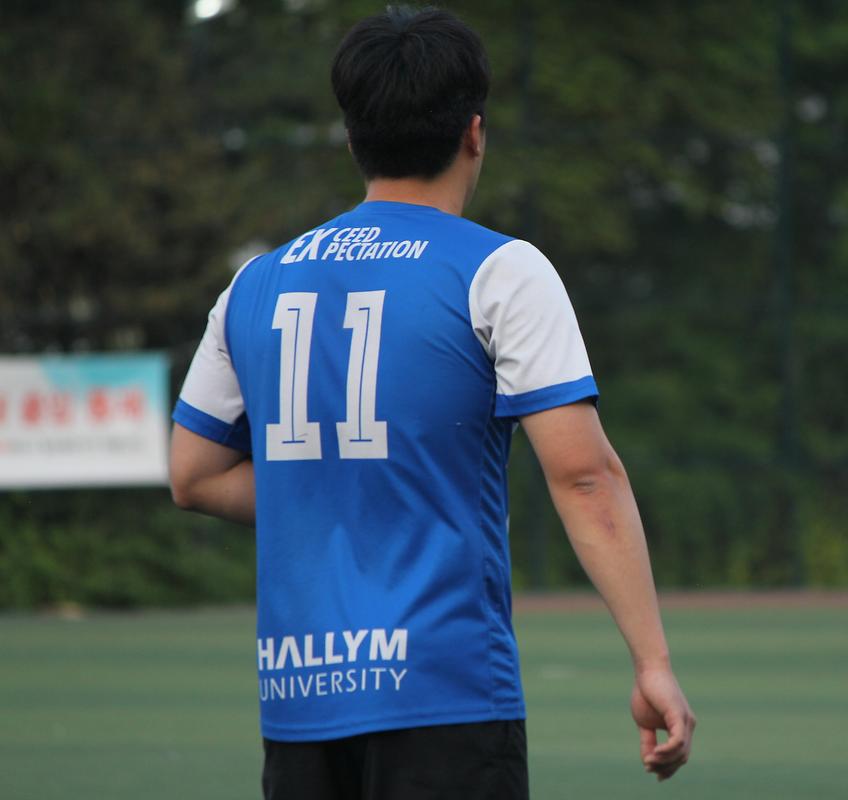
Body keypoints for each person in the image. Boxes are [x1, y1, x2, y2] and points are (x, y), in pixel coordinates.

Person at [167, 8, 694, 799]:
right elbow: (585, 477)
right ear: (474, 133)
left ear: (353, 139)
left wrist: (336, 487)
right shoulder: (502, 270)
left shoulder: (255, 284)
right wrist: (652, 662)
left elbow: (194, 475)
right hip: (447, 693)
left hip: (299, 703)